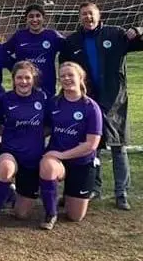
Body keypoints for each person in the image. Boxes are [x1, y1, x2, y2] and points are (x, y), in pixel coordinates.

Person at [59, 2, 143, 210]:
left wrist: (138, 31)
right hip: (88, 102)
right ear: (79, 17)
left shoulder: (115, 34)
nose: (88, 18)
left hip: (115, 101)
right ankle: (94, 188)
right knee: (93, 148)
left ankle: (122, 193)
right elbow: (64, 68)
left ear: (98, 16)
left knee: (119, 148)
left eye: (91, 14)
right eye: (83, 14)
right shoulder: (72, 41)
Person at [38, 62, 102, 230]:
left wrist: (62, 155)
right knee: (47, 163)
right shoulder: (53, 103)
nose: (66, 78)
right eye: (63, 76)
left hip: (81, 162)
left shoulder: (91, 107)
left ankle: (69, 195)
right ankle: (51, 213)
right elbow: (45, 128)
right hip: (57, 161)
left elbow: (91, 144)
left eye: (70, 75)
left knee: (75, 217)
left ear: (80, 78)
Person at [0, 61, 48, 230]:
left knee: (21, 214)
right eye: (19, 78)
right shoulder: (4, 99)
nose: (23, 81)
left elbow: (50, 124)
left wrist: (34, 133)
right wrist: (7, 131)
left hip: (33, 157)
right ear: (13, 79)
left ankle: (13, 193)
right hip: (10, 151)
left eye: (27, 78)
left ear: (33, 79)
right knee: (5, 166)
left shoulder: (42, 98)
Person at [4, 4, 64, 97]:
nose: (35, 19)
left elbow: (69, 49)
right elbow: (3, 52)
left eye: (38, 16)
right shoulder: (19, 36)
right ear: (26, 19)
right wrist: (15, 67)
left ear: (43, 18)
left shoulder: (52, 35)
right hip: (23, 85)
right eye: (31, 16)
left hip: (47, 87)